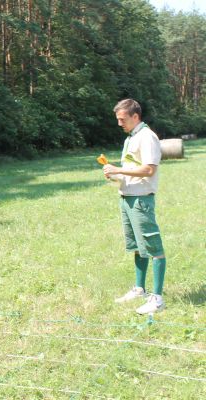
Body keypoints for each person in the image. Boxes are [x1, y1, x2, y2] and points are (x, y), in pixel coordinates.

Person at [103, 99, 167, 314]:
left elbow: (149, 170)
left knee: (152, 246)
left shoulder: (147, 137)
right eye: (118, 119)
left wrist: (119, 171)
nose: (119, 123)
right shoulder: (131, 138)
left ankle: (157, 299)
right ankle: (140, 289)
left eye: (122, 119)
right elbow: (132, 168)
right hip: (127, 198)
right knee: (138, 246)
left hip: (141, 199)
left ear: (135, 116)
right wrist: (115, 176)